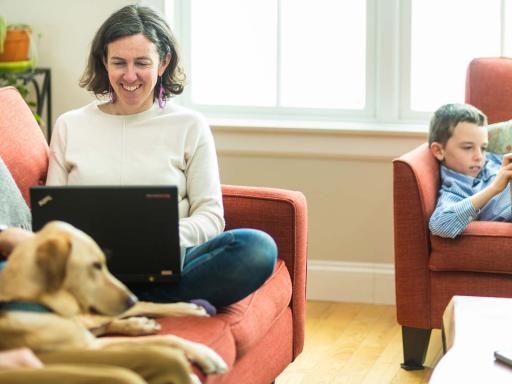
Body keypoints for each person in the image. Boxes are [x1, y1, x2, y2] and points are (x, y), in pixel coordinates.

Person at [46, 4, 277, 308]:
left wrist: (160, 235)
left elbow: (210, 216)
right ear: (104, 61)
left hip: (169, 265)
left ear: (163, 62)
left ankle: (127, 303)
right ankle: (151, 304)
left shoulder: (189, 126)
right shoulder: (70, 125)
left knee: (257, 249)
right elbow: (50, 218)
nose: (130, 76)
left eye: (142, 62)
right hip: (89, 268)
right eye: (119, 63)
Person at [429, 103, 512, 238]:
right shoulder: (455, 189)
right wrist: (494, 188)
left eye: (483, 148)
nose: (479, 157)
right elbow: (440, 224)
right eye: (468, 147)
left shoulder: (491, 161)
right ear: (439, 151)